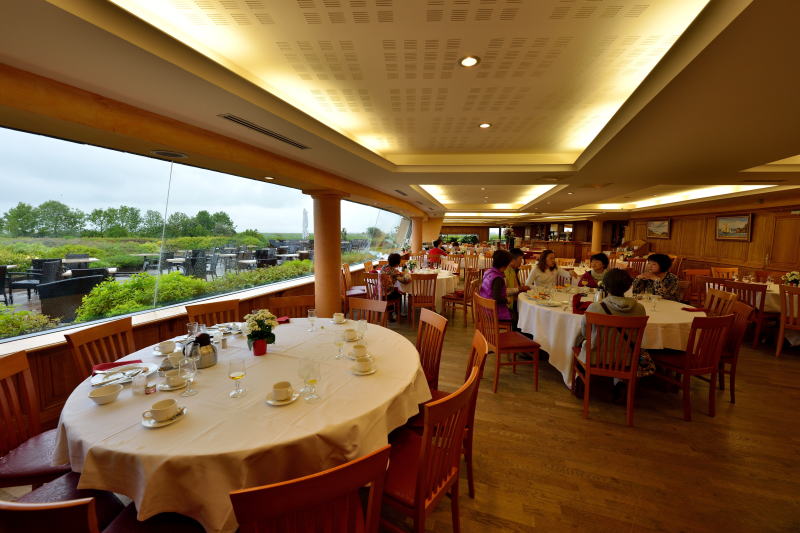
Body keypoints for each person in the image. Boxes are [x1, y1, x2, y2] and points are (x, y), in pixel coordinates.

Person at [574, 268, 653, 399]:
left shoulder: (595, 307)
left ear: (604, 286)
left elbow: (585, 332)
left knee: (579, 340)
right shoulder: (639, 309)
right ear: (628, 286)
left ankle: (581, 379)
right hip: (626, 358)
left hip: (596, 356)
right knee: (619, 345)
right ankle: (619, 382)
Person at [478, 249, 514, 323]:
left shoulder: (488, 272)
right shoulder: (498, 278)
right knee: (516, 317)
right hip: (493, 312)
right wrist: (507, 300)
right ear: (505, 264)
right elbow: (497, 298)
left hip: (484, 308)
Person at [379, 253, 410, 320]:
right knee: (399, 294)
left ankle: (390, 312)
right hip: (387, 294)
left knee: (394, 291)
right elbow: (405, 281)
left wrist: (401, 273)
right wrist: (406, 274)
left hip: (379, 292)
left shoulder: (384, 267)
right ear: (397, 262)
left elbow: (399, 273)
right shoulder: (394, 271)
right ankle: (397, 314)